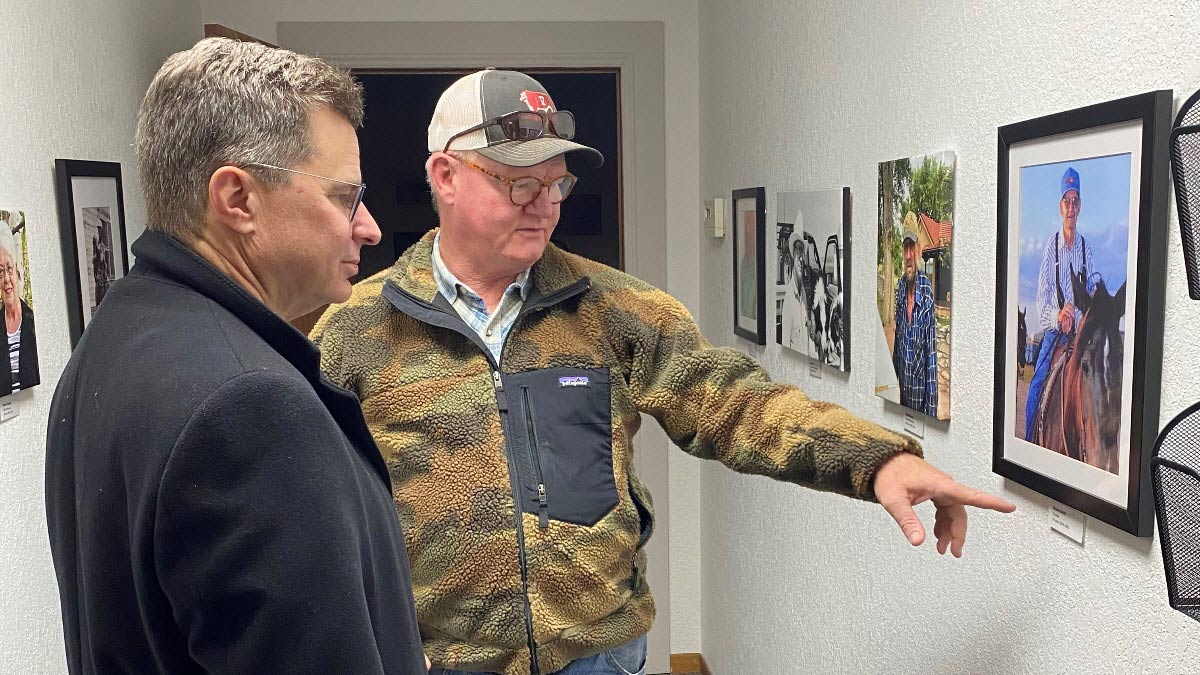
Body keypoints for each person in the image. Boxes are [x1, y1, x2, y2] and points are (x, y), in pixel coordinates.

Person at [313, 68, 1014, 675]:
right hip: (439, 659)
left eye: (556, 185)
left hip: (599, 654)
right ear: (446, 177)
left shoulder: (616, 309)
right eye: (520, 184)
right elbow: (317, 513)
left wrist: (877, 458)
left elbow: (735, 403)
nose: (545, 207)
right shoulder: (356, 330)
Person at [44, 37, 426, 674]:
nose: (369, 227)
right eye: (344, 197)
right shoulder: (250, 406)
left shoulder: (116, 337)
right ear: (238, 199)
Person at [1024, 166, 1097, 441]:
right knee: (1036, 386)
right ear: (1060, 206)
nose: (1071, 207)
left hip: (1079, 335)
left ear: (1080, 206)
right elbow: (1040, 302)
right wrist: (1058, 315)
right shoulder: (1050, 248)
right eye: (1067, 201)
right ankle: (1029, 443)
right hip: (1055, 334)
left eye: (1075, 201)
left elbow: (1091, 297)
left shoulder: (1086, 250)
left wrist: (1077, 315)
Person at [891, 225, 939, 417]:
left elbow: (932, 357)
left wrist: (931, 412)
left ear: (918, 250)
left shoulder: (926, 293)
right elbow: (898, 341)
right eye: (905, 248)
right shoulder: (901, 286)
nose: (909, 255)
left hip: (920, 402)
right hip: (903, 396)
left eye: (912, 248)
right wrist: (891, 381)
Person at [0, 220, 38, 393]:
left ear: (17, 270)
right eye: (0, 272)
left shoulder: (32, 321)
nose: (7, 279)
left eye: (9, 269)